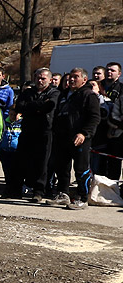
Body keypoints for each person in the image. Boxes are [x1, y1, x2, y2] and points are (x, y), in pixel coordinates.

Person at [48, 68, 100, 210]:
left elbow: (95, 117)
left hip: (80, 138)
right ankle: (63, 194)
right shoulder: (63, 95)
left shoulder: (89, 95)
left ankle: (82, 198)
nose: (72, 79)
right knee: (62, 167)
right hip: (62, 137)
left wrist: (84, 133)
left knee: (81, 169)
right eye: (70, 77)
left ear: (84, 79)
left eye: (76, 77)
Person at [15, 68, 59, 203]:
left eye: (43, 78)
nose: (40, 81)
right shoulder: (28, 92)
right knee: (21, 161)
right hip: (28, 130)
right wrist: (38, 106)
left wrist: (32, 107)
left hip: (45, 131)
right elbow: (20, 107)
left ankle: (39, 191)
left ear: (50, 80)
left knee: (42, 163)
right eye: (38, 78)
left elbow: (49, 107)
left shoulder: (54, 93)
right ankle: (15, 189)